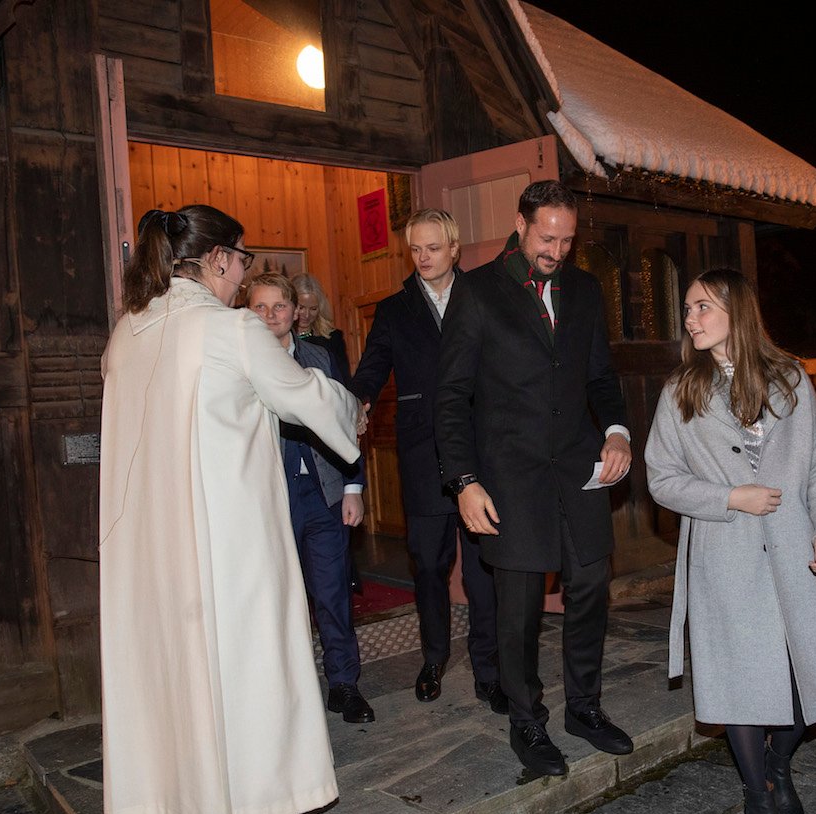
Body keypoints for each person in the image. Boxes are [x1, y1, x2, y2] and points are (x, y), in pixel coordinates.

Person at [99, 205, 362, 814]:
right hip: (232, 541)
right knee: (261, 673)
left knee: (187, 679)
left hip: (156, 551)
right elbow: (306, 398)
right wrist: (345, 402)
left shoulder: (128, 331)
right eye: (242, 261)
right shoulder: (230, 329)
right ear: (217, 257)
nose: (243, 276)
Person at [643, 268, 816, 814]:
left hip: (794, 551)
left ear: (736, 311)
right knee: (740, 687)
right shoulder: (681, 391)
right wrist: (730, 497)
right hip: (725, 556)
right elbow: (661, 479)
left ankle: (778, 767)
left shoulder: (790, 379)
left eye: (702, 307)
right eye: (688, 308)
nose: (690, 318)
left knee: (804, 679)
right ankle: (757, 802)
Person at [434, 180, 634, 776]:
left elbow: (600, 377)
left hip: (577, 469)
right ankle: (526, 721)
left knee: (590, 586)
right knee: (518, 609)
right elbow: (450, 397)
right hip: (509, 478)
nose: (556, 250)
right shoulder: (476, 291)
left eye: (567, 240)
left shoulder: (585, 289)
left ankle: (585, 708)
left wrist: (617, 431)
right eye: (547, 238)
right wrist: (464, 480)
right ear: (520, 225)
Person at [352, 209, 505, 713]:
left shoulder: (482, 296)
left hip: (480, 454)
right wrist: (357, 400)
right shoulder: (395, 309)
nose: (423, 258)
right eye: (415, 249)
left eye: (433, 248)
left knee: (483, 571)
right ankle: (434, 659)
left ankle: (489, 670)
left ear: (454, 249)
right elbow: (373, 366)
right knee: (429, 568)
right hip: (422, 455)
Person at [246, 272, 375, 725]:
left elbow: (347, 422)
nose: (270, 316)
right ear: (247, 313)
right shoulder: (240, 366)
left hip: (324, 494)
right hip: (269, 498)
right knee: (277, 601)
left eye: (278, 306)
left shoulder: (319, 357)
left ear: (295, 311)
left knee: (332, 593)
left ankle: (344, 684)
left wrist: (353, 487)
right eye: (259, 307)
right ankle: (286, 697)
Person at [293, 272, 349, 371]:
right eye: (301, 308)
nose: (307, 315)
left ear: (320, 308)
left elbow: (342, 377)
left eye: (313, 309)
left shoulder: (333, 339)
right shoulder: (280, 337)